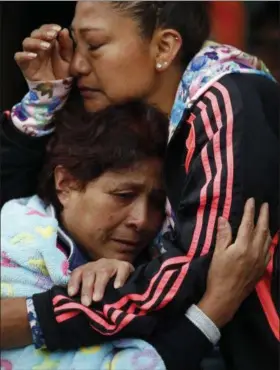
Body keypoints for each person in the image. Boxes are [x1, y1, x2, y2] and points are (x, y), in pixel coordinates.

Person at [1, 2, 279, 370]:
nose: (78, 65)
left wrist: (33, 318)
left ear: (164, 47)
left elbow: (196, 271)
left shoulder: (226, 101)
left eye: (95, 45)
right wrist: (44, 101)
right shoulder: (154, 112)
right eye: (76, 46)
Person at [1, 101, 170, 369]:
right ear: (66, 184)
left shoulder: (163, 262)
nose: (143, 220)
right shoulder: (12, 241)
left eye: (158, 203)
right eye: (123, 196)